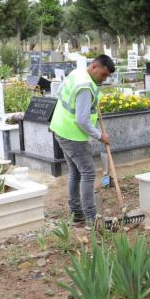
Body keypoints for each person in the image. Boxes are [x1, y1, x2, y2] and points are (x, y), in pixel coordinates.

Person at [49, 55, 115, 228]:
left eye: (107, 76)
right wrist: (100, 135)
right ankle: (91, 219)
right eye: (103, 74)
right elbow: (82, 120)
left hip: (61, 128)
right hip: (73, 135)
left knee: (76, 173)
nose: (104, 79)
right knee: (88, 172)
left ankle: (76, 215)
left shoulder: (79, 74)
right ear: (94, 67)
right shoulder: (85, 87)